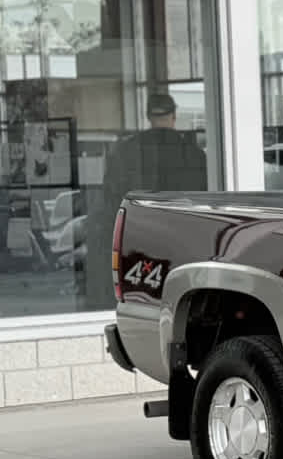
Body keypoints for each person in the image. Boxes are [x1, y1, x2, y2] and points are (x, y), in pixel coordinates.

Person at [88, 92, 209, 303]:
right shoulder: (193, 154)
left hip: (138, 236)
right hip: (183, 236)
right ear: (173, 116)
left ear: (148, 116)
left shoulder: (126, 151)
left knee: (141, 296)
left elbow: (111, 195)